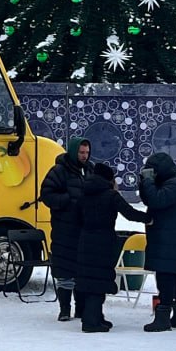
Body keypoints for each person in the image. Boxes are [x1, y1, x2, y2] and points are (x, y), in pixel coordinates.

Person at [76, 164, 150, 333]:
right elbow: (129, 213)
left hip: (85, 240)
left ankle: (96, 317)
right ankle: (91, 322)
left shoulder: (84, 193)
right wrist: (149, 218)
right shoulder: (111, 195)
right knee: (99, 280)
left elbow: (76, 217)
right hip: (103, 241)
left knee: (90, 278)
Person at [137, 153, 176, 332]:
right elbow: (149, 199)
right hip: (168, 236)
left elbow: (156, 200)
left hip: (169, 238)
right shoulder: (172, 182)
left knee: (165, 276)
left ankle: (163, 316)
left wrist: (148, 181)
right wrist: (144, 182)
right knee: (173, 275)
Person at [40, 136, 92, 321]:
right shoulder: (59, 171)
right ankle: (64, 309)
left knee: (81, 271)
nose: (84, 156)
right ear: (73, 151)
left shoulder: (90, 170)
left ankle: (80, 309)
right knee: (64, 271)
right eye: (81, 152)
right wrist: (68, 200)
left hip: (84, 230)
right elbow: (46, 194)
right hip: (64, 229)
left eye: (87, 153)